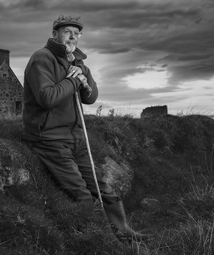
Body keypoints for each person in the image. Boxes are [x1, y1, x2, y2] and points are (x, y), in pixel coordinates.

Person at [22, 15, 147, 239]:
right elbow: (47, 98)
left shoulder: (78, 62)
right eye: (66, 31)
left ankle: (124, 232)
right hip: (49, 138)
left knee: (102, 188)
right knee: (81, 193)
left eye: (76, 32)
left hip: (77, 137)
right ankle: (103, 241)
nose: (72, 36)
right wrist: (73, 81)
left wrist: (83, 79)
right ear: (54, 35)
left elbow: (91, 98)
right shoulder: (42, 58)